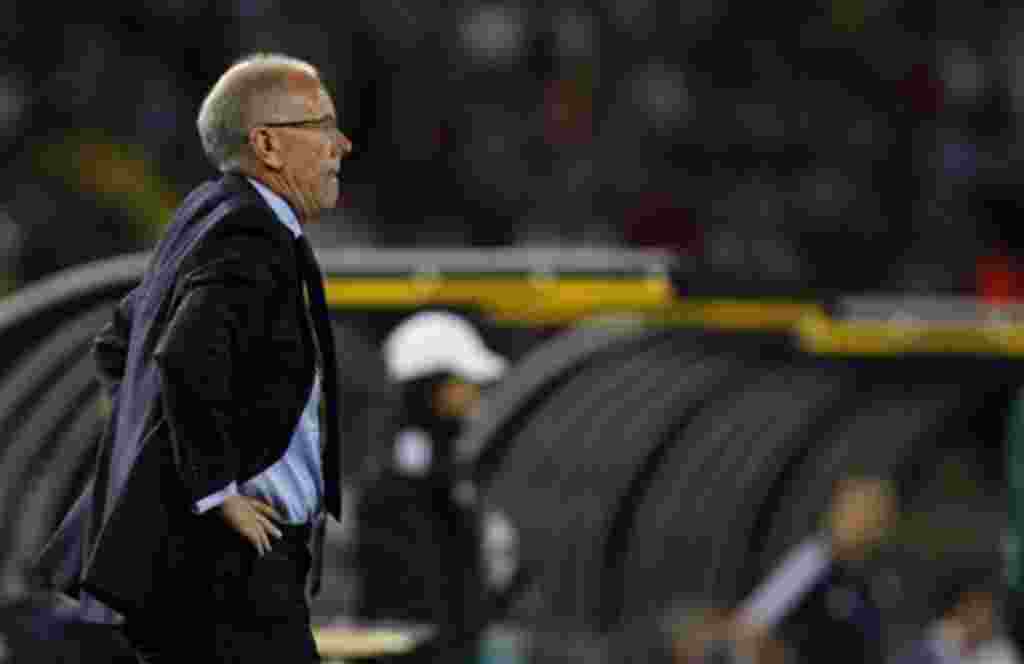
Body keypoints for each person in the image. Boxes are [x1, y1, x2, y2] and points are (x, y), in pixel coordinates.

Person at [32, 52, 354, 662]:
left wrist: (157, 453)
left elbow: (121, 345)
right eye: (322, 123)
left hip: (201, 567)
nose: (341, 142)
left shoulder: (210, 213)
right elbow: (182, 356)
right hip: (226, 569)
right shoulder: (250, 233)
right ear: (268, 144)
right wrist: (213, 489)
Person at [351, 310, 510, 661]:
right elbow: (405, 588)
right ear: (430, 386)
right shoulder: (396, 477)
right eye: (463, 382)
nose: (474, 393)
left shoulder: (448, 466)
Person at [731, 475, 897, 664]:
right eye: (869, 511)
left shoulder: (867, 576)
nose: (880, 524)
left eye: (884, 513)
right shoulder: (811, 562)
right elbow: (748, 630)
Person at [895, 560, 1018, 664]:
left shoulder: (1001, 652)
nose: (987, 618)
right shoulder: (935, 640)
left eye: (991, 611)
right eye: (979, 609)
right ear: (961, 610)